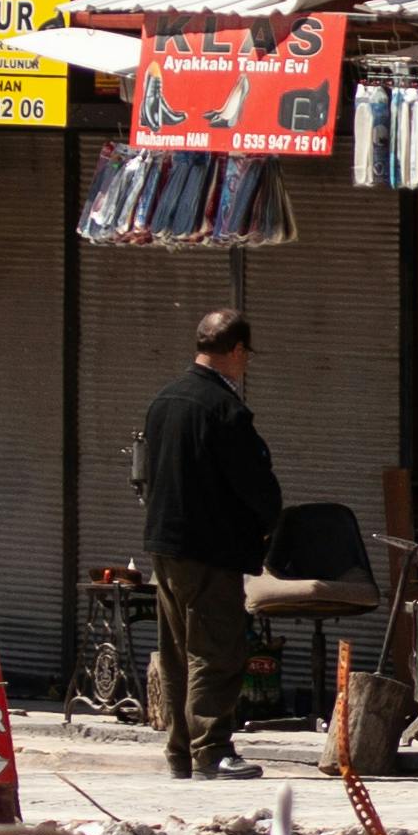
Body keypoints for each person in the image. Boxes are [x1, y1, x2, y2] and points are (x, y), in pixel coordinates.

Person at [137, 309, 283, 781]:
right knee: (216, 652)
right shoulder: (224, 409)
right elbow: (253, 485)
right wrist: (266, 525)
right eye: (246, 355)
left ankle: (181, 752)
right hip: (208, 549)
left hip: (166, 546)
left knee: (179, 652)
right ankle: (212, 752)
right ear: (236, 350)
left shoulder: (165, 399)